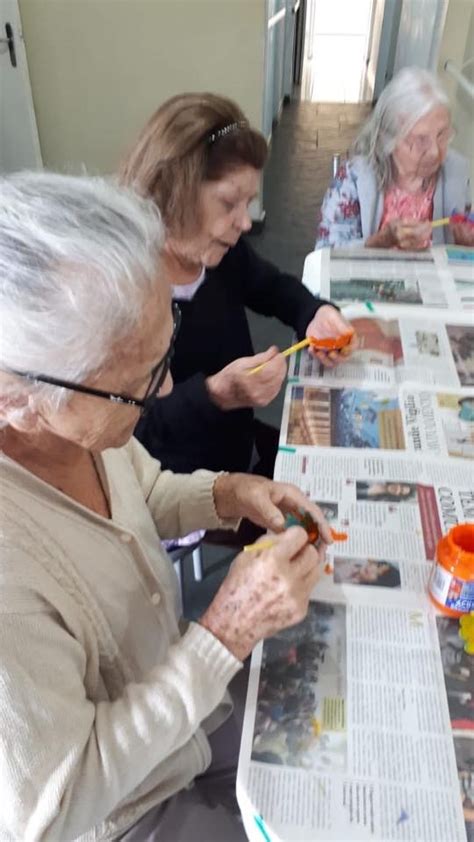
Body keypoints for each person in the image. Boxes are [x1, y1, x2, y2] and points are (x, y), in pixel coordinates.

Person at [0, 172, 333, 842]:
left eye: (165, 350)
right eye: (135, 385)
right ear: (15, 400)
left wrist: (231, 491)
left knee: (326, 736)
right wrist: (227, 632)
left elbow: (144, 492)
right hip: (122, 809)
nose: (166, 392)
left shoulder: (76, 423)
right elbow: (56, 805)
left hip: (178, 698)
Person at [119, 93, 355, 483]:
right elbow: (128, 430)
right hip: (180, 482)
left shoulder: (220, 253)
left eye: (248, 203)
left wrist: (313, 313)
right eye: (229, 203)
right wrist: (214, 394)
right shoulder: (120, 290)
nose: (245, 223)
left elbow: (271, 287)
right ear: (172, 192)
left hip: (237, 446)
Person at [316, 67, 473, 250]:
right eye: (421, 140)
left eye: (442, 135)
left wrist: (466, 243)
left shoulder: (455, 171)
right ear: (389, 138)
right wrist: (382, 241)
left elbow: (457, 249)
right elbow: (325, 251)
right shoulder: (356, 177)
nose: (435, 152)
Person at [334, 558, 401, 588]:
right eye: (378, 566)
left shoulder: (354, 587)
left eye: (377, 575)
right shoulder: (357, 561)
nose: (373, 570)